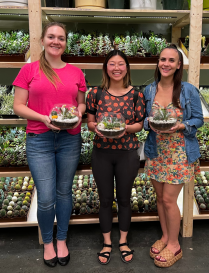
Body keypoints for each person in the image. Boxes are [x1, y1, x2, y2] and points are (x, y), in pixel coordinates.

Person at [13, 22, 86, 268]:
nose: (56, 41)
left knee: (64, 192)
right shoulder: (29, 70)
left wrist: (77, 111)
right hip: (39, 139)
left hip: (69, 138)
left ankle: (62, 239)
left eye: (61, 38)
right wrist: (45, 118)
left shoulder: (76, 72)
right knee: (45, 197)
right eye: (51, 37)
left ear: (66, 42)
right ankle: (47, 243)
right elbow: (18, 106)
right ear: (42, 40)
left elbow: (81, 104)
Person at [144, 44, 204, 268]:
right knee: (160, 199)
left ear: (179, 65)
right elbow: (143, 120)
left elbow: (198, 120)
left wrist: (181, 125)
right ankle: (165, 237)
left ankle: (174, 245)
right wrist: (148, 123)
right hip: (156, 151)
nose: (166, 64)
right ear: (158, 63)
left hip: (179, 153)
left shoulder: (188, 90)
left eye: (171, 60)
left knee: (169, 199)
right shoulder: (149, 90)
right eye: (162, 60)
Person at [86, 50, 145, 265]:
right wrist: (97, 128)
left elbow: (139, 124)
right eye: (112, 64)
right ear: (106, 67)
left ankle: (123, 241)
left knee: (124, 199)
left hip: (127, 153)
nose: (117, 68)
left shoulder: (136, 95)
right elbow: (90, 123)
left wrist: (124, 129)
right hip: (101, 152)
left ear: (127, 68)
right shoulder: (95, 93)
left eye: (121, 64)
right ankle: (106, 242)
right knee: (105, 201)